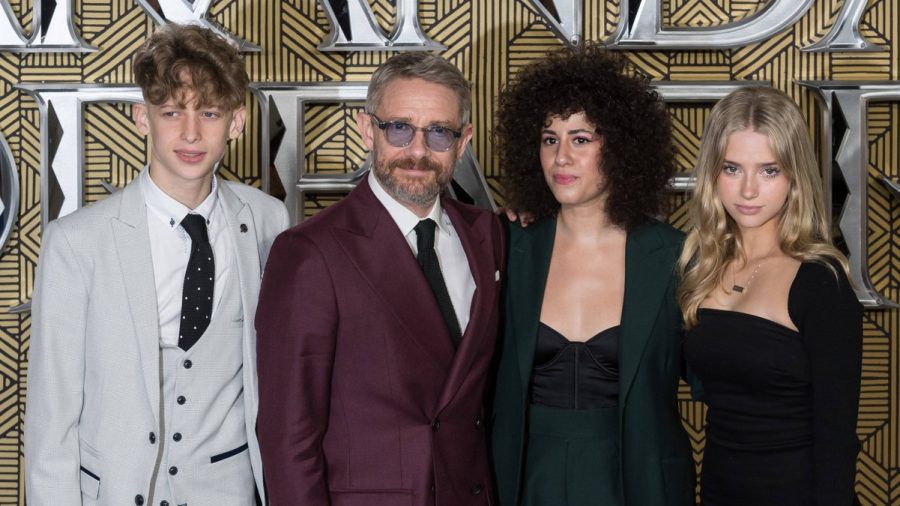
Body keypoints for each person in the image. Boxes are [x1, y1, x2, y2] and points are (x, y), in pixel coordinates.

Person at [24, 24, 289, 505]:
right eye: (171, 112)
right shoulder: (75, 243)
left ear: (237, 122)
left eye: (209, 113)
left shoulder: (270, 222)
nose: (190, 133)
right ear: (141, 118)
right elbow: (51, 420)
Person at [255, 52, 504, 506]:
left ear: (464, 141)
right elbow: (287, 436)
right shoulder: (309, 252)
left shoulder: (487, 235)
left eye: (439, 133)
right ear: (367, 129)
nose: (418, 151)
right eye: (400, 128)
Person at [490, 45, 694, 506]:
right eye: (549, 138)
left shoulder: (674, 256)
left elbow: (720, 374)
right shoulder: (506, 246)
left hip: (636, 481)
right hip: (524, 479)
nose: (561, 157)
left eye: (581, 139)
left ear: (622, 146)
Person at [678, 86, 862, 505]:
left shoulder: (820, 282)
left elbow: (836, 438)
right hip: (721, 491)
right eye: (732, 168)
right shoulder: (699, 269)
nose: (747, 190)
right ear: (712, 173)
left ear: (794, 176)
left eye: (768, 171)